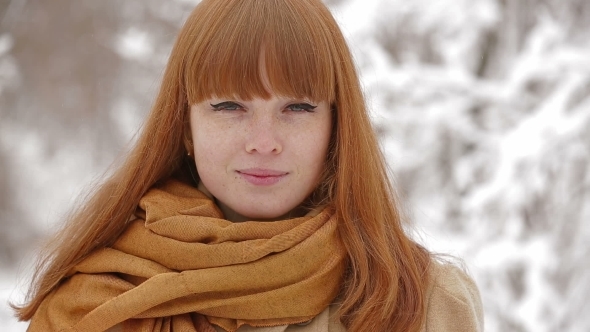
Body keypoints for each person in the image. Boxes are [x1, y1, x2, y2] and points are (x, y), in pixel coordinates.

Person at [14, 0, 484, 331]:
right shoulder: (97, 303)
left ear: (337, 128)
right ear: (183, 126)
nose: (264, 143)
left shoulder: (421, 303)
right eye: (228, 107)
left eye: (297, 108)